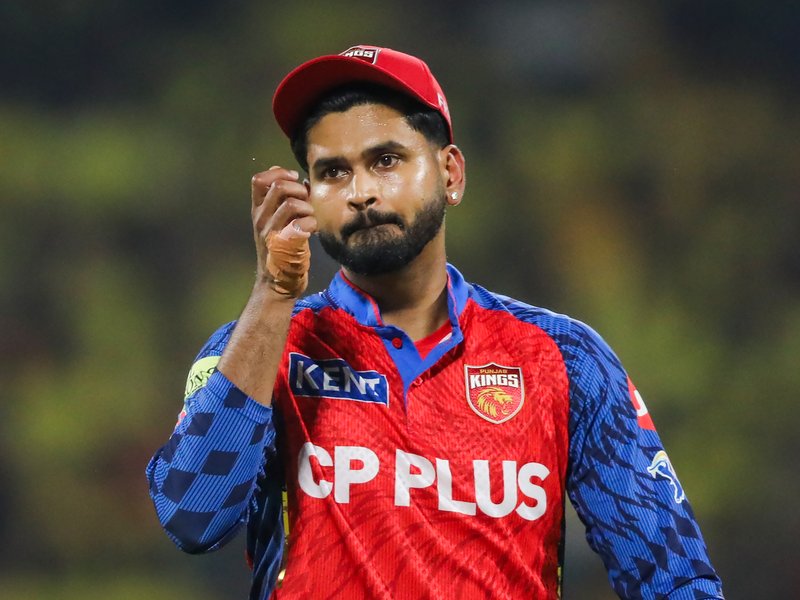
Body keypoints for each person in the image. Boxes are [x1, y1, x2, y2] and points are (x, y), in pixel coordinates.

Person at [147, 45, 725, 600]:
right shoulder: (261, 346)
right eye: (333, 172)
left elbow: (675, 578)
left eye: (386, 161)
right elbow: (193, 517)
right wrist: (273, 295)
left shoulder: (564, 357)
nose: (361, 192)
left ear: (451, 174)